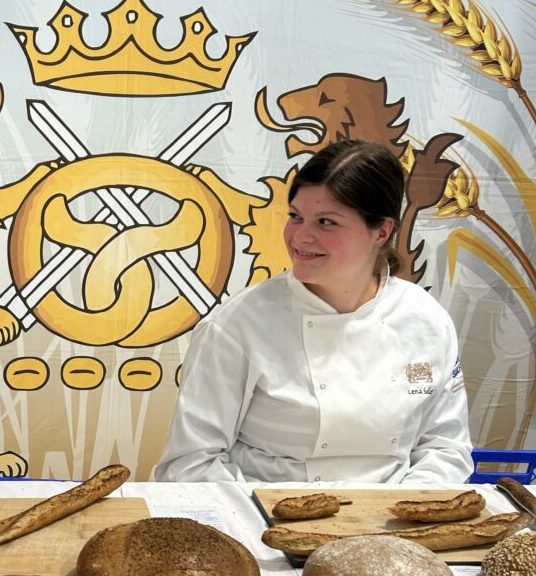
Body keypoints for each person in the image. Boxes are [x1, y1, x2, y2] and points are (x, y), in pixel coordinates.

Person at [155, 140, 473, 485]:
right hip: (263, 522)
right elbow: (188, 465)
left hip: (392, 522)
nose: (300, 237)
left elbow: (446, 449)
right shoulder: (237, 325)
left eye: (326, 222)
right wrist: (278, 517)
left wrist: (400, 517)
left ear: (381, 231)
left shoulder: (425, 320)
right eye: (295, 217)